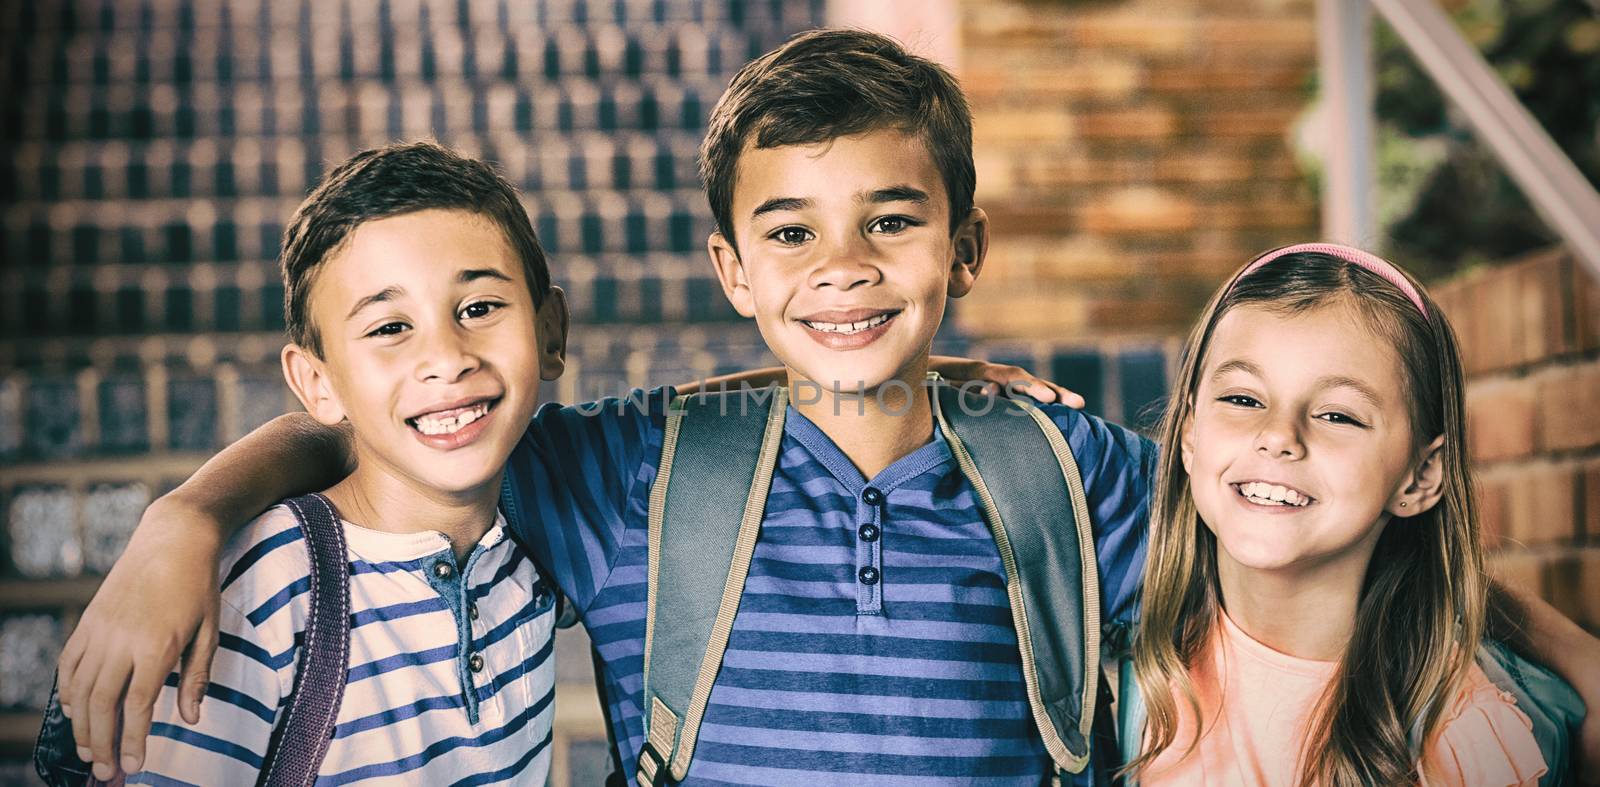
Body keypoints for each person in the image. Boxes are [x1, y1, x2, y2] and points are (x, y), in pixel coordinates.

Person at [58, 30, 1600, 785]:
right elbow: (414, 416)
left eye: (893, 220)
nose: (843, 268)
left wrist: (1570, 649)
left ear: (967, 247)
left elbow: (1319, 523)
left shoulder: (1073, 464)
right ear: (732, 267)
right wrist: (188, 518)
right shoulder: (638, 467)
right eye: (790, 231)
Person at [121, 142, 569, 783]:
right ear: (317, 382)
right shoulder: (264, 588)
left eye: (478, 309)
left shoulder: (536, 541)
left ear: (551, 331)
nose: (446, 357)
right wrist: (183, 517)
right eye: (389, 327)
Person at [1127, 244, 1558, 785]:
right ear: (1189, 435)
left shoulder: (1464, 738)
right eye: (1242, 399)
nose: (1279, 437)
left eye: (1338, 415)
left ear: (1421, 476)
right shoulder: (1119, 661)